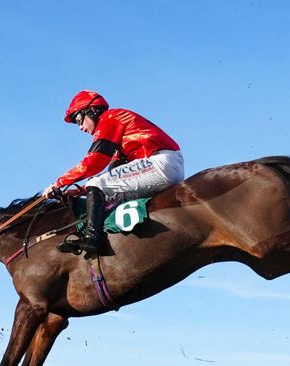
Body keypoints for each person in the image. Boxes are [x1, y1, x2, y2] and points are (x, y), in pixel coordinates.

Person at [43, 90, 184, 256]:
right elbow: (113, 176)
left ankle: (91, 238)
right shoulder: (117, 131)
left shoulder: (109, 119)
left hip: (161, 163)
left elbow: (93, 163)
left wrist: (59, 183)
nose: (80, 127)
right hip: (163, 166)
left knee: (95, 183)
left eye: (79, 120)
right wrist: (79, 191)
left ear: (92, 110)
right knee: (108, 195)